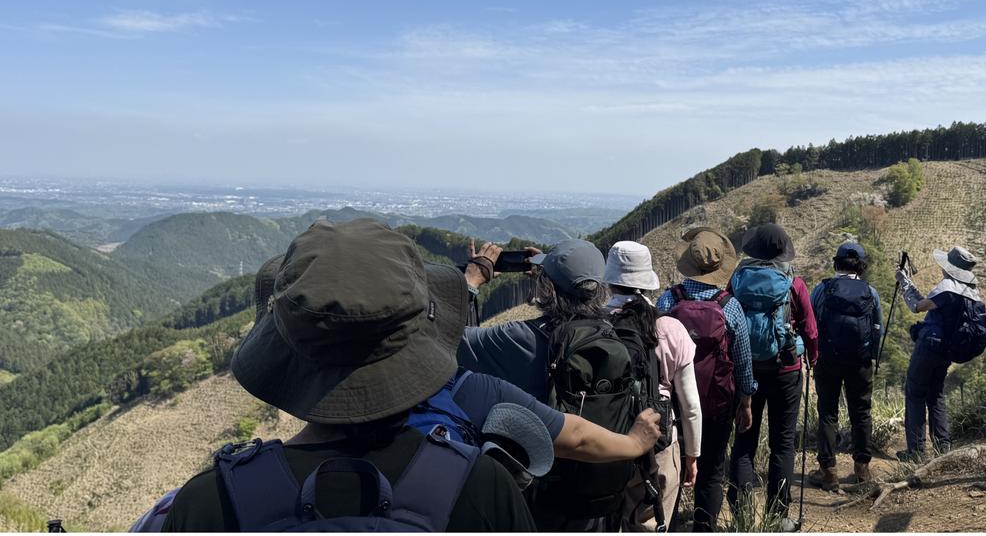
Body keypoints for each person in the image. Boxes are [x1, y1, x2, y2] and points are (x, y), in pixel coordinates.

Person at [162, 220, 661, 532]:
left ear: (288, 358)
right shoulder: (480, 486)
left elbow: (461, 342)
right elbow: (569, 432)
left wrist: (471, 280)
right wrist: (638, 441)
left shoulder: (212, 502)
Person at [458, 238, 647, 531]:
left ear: (547, 287)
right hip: (598, 494)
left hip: (537, 493)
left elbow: (450, 340)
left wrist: (471, 281)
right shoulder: (616, 331)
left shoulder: (520, 338)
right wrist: (554, 275)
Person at [655, 227, 755, 533]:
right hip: (716, 403)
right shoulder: (730, 307)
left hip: (671, 405)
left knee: (667, 470)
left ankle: (666, 526)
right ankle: (704, 527)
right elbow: (742, 360)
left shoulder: (667, 301)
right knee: (712, 471)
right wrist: (746, 401)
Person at [724, 224, 818, 533]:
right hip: (785, 370)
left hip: (745, 369)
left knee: (744, 441)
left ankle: (740, 514)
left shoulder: (736, 280)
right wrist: (812, 357)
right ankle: (779, 517)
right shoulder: (793, 282)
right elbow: (810, 329)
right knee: (783, 444)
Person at [605, 240, 703, 532]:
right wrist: (692, 455)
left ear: (610, 281)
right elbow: (690, 405)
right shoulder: (670, 328)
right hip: (658, 443)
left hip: (603, 439)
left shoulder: (593, 323)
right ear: (647, 281)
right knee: (651, 524)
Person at [894, 245, 983, 461]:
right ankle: (943, 448)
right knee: (936, 395)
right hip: (947, 350)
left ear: (950, 268)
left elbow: (917, 306)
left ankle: (916, 452)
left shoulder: (947, 286)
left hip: (930, 346)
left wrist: (904, 283)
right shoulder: (972, 293)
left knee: (915, 392)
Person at [807, 241, 881, 491]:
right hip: (860, 361)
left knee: (828, 412)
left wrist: (811, 355)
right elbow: (877, 328)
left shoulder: (823, 289)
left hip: (827, 359)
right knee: (861, 412)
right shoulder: (870, 292)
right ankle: (862, 469)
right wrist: (872, 355)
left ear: (836, 262)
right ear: (861, 265)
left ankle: (828, 471)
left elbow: (812, 323)